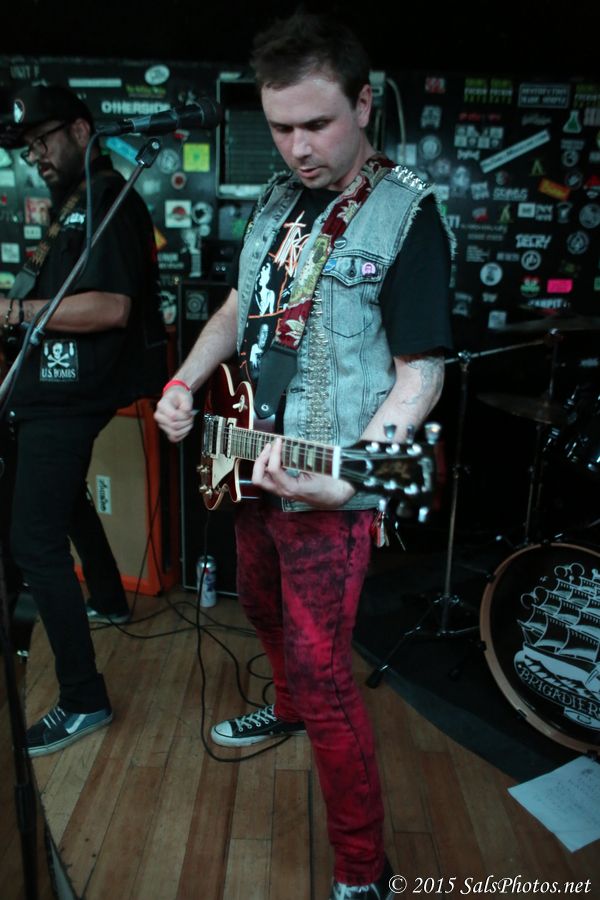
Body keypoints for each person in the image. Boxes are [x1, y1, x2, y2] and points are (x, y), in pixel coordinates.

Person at [155, 12, 454, 900]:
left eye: (317, 124)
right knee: (257, 605)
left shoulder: (407, 214)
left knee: (328, 680)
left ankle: (364, 872)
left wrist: (355, 471)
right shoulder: (277, 197)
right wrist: (184, 380)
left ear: (363, 104)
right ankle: (280, 709)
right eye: (281, 127)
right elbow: (237, 308)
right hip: (253, 459)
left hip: (331, 485)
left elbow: (422, 373)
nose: (298, 148)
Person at [0, 84, 167, 756]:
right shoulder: (76, 202)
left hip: (71, 393)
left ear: (79, 129)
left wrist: (12, 312)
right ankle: (108, 597)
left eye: (43, 140)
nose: (35, 155)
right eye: (27, 148)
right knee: (62, 497)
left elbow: (110, 308)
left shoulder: (110, 199)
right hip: (49, 389)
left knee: (31, 540)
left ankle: (82, 699)